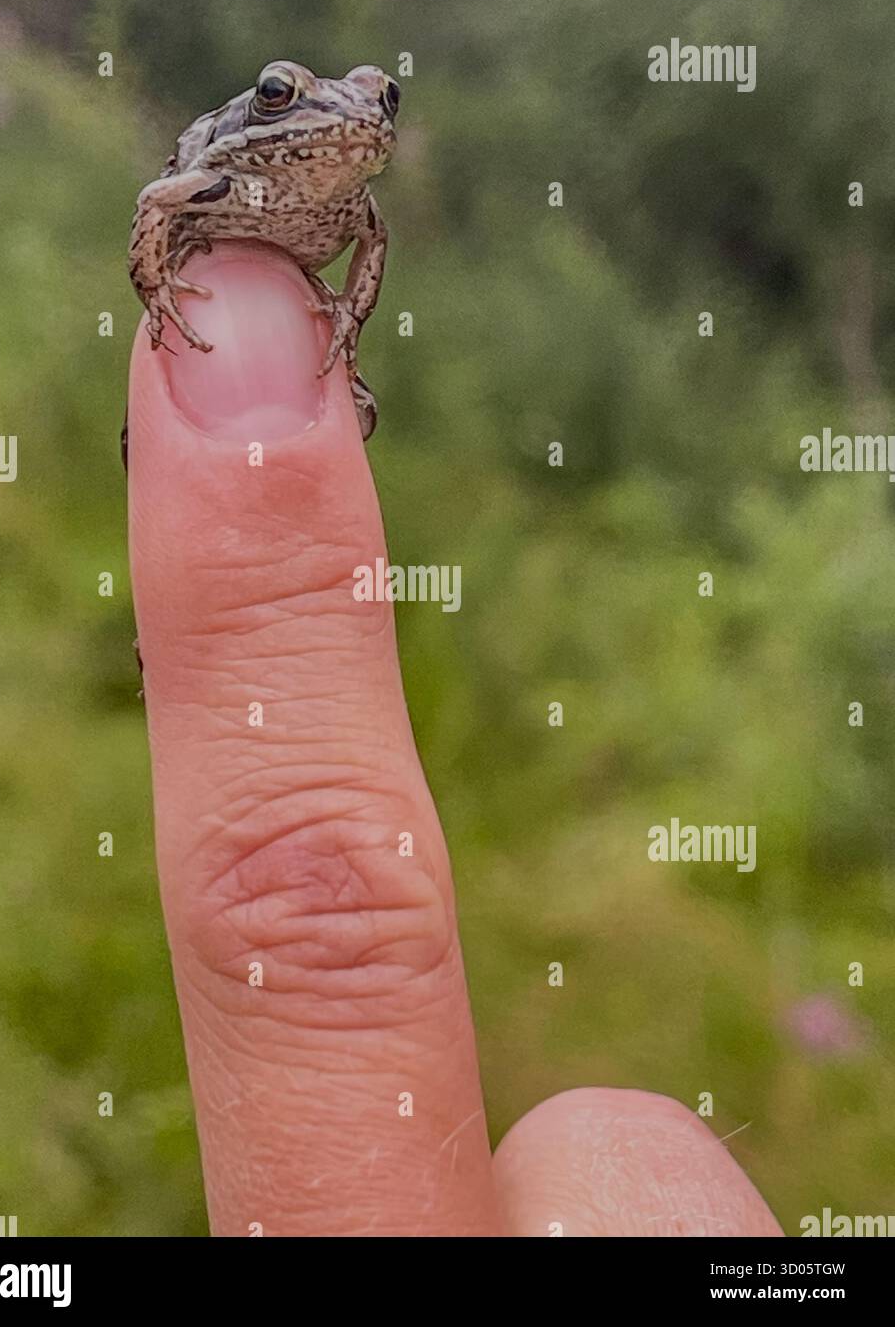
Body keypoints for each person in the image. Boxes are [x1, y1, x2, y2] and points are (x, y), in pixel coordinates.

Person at [126, 241, 782, 1238]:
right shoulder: (224, 176)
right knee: (301, 895)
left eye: (379, 101)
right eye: (294, 92)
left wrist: (343, 325)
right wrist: (160, 286)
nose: (358, 121)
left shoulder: (357, 201)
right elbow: (158, 205)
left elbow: (372, 245)